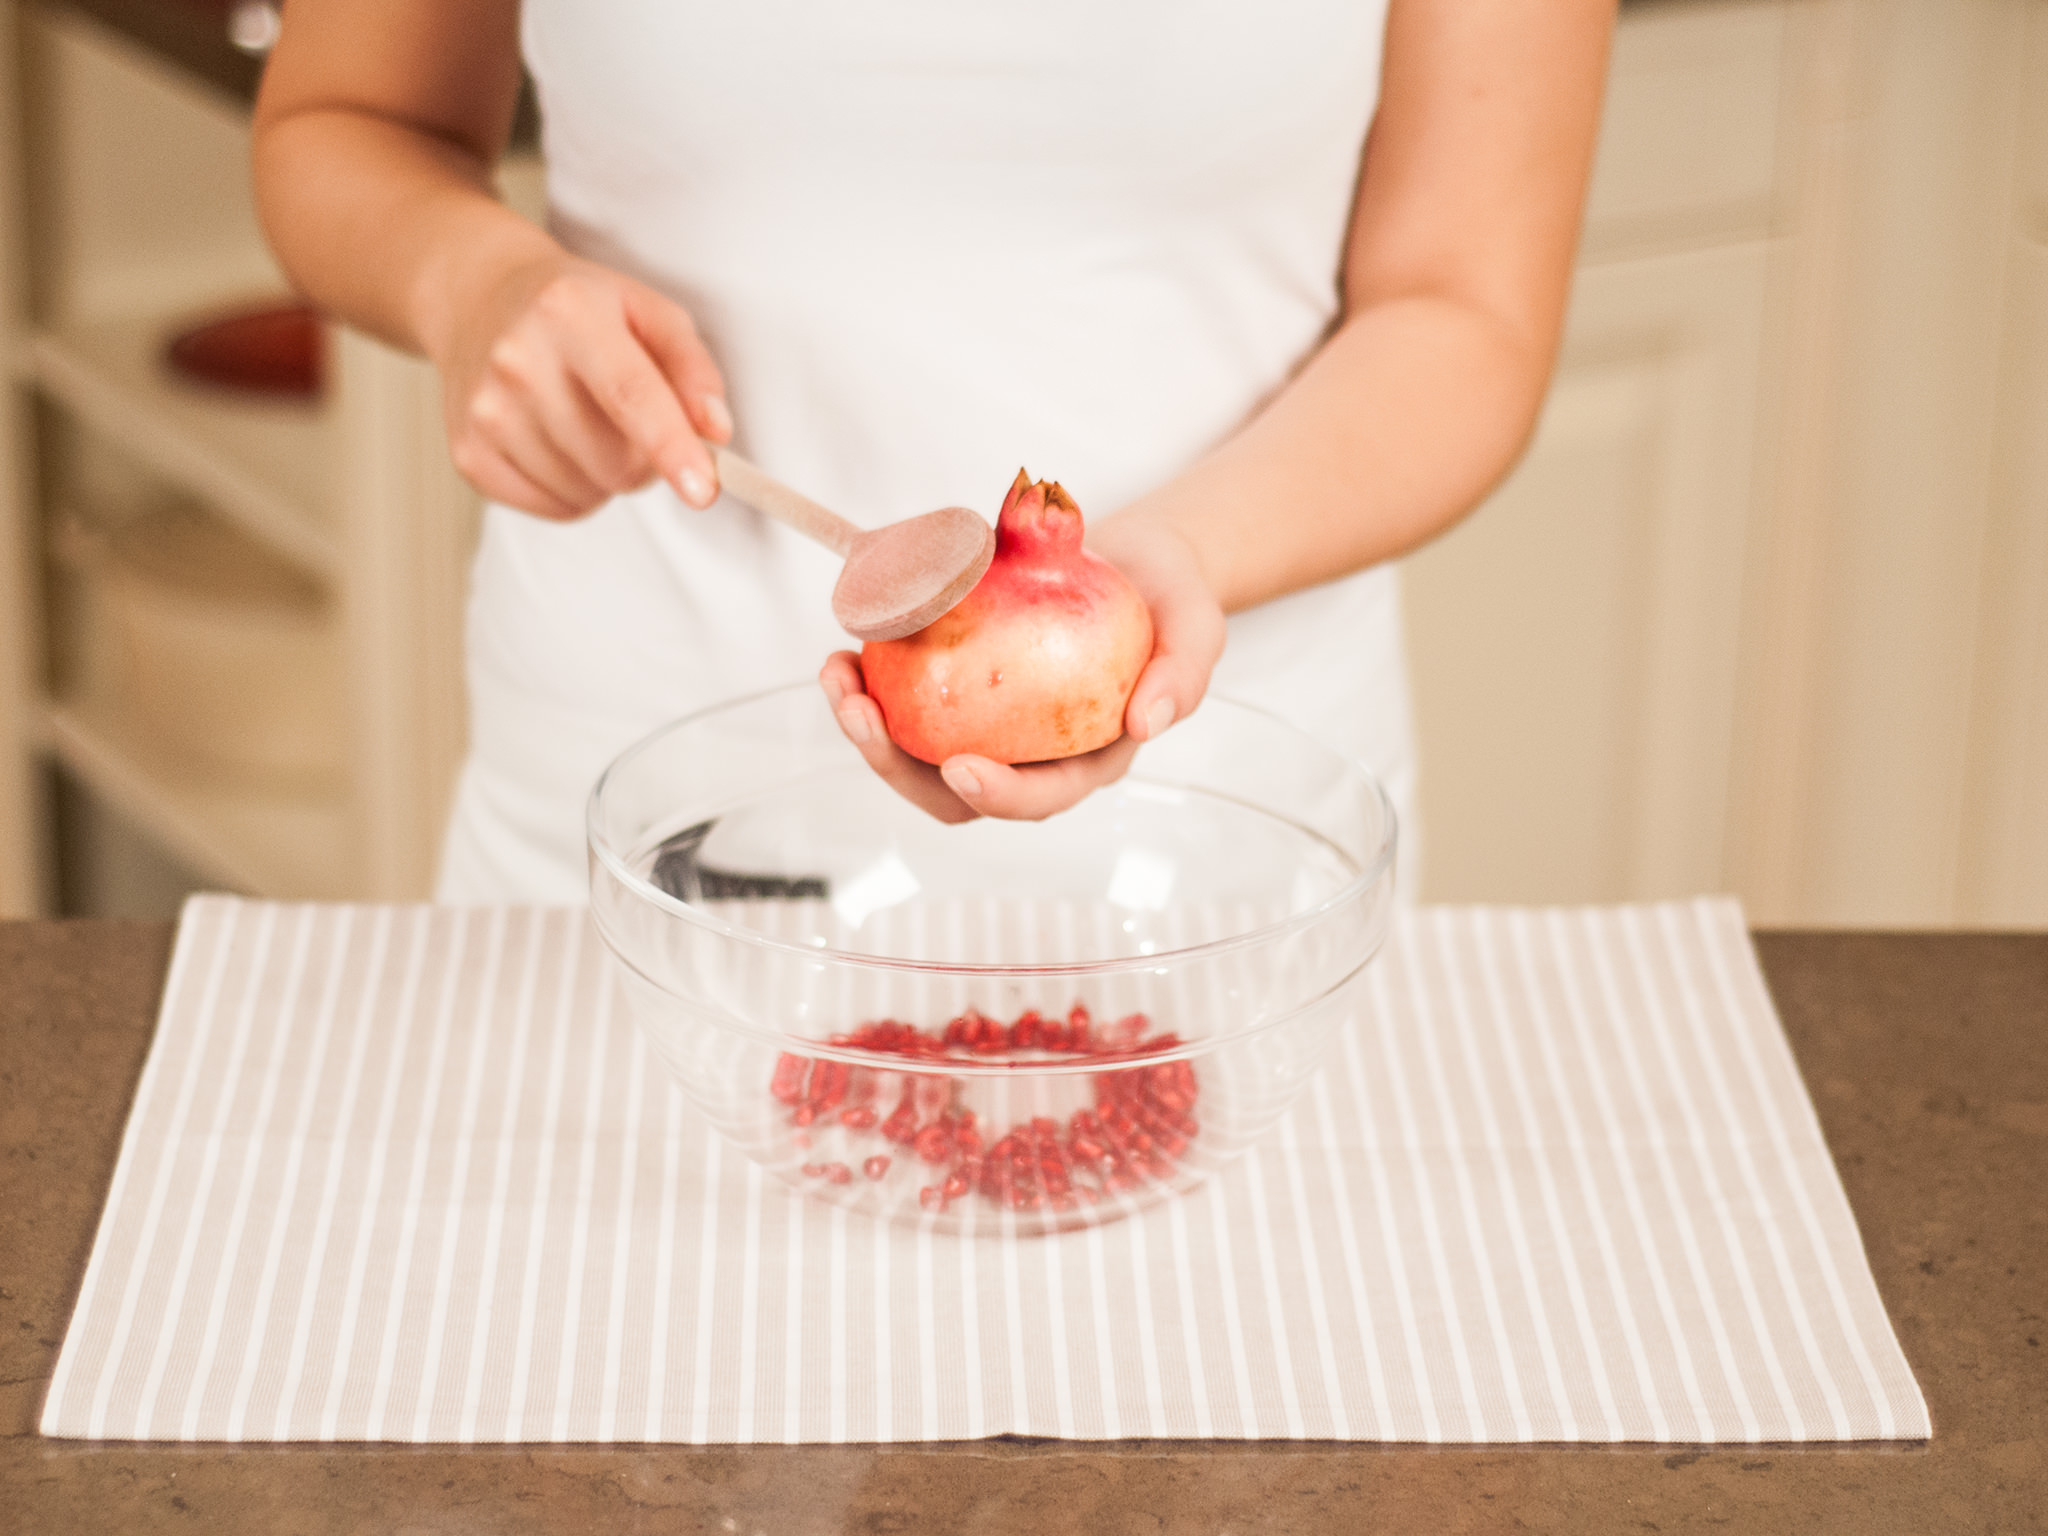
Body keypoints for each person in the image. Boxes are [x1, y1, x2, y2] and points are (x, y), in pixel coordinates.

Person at [252, 0, 1613, 903]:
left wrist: (1178, 560)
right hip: (640, 834)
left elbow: (1464, 307)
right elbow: (346, 124)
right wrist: (470, 283)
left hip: (1238, 854)